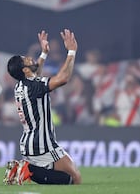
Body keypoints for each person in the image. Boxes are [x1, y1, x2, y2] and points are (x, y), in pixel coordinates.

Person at [5, 29, 82, 185]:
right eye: (26, 59)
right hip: (42, 144)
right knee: (75, 179)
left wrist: (44, 53)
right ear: (24, 70)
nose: (29, 58)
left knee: (71, 177)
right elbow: (63, 78)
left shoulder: (20, 85)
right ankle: (28, 169)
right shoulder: (33, 86)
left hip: (32, 143)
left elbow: (34, 75)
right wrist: (71, 52)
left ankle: (26, 169)